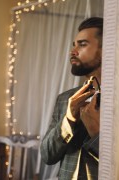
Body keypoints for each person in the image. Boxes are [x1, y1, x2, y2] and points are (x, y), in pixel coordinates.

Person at [40, 17, 102, 179]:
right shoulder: (65, 99)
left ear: (106, 49)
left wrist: (96, 133)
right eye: (74, 44)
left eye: (82, 44)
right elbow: (47, 156)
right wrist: (69, 118)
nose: (73, 51)